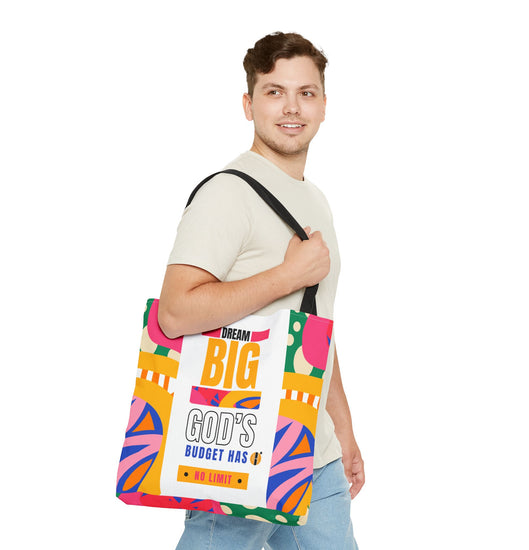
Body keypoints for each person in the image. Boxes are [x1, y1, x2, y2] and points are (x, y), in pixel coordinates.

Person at [158, 31, 364, 550]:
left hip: (315, 456)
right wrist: (286, 276)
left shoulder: (315, 199)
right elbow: (175, 313)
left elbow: (314, 326)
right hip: (239, 453)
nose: (292, 107)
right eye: (275, 92)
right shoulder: (226, 193)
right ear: (249, 105)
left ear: (323, 105)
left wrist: (342, 430)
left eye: (306, 93)